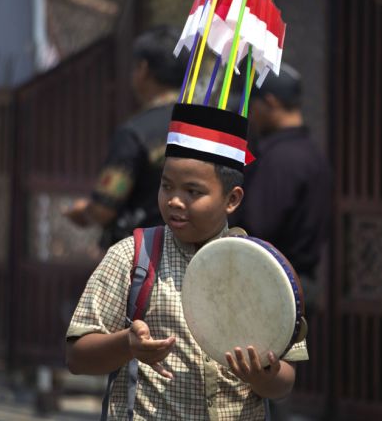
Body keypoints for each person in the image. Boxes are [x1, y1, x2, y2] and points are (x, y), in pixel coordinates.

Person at [65, 101, 308, 420]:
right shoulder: (132, 256)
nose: (175, 200)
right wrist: (128, 345)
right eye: (166, 186)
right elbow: (77, 357)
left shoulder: (263, 269)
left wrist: (261, 377)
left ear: (232, 199)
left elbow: (285, 381)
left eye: (193, 191)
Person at [63, 26, 187, 250]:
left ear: (143, 68)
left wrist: (83, 212)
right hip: (194, 254)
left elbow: (103, 208)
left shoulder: (134, 133)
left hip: (142, 260)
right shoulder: (202, 125)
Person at [231, 65, 332, 314]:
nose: (250, 115)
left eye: (252, 106)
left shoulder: (281, 160)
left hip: (274, 289)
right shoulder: (310, 152)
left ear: (270, 102)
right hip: (298, 284)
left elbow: (257, 228)